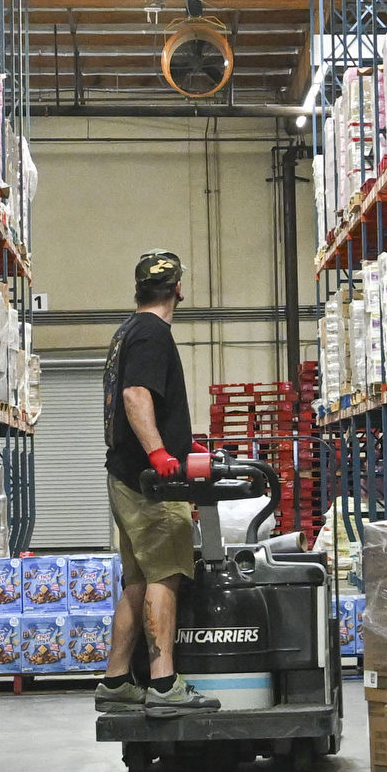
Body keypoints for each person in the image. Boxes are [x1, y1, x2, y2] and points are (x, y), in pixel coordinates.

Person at [100, 248, 216, 714]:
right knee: (165, 574)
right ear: (179, 289)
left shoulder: (126, 331)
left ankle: (115, 683)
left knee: (136, 580)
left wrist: (184, 444)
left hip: (126, 476)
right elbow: (134, 394)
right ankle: (164, 684)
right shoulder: (152, 332)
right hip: (152, 482)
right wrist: (161, 452)